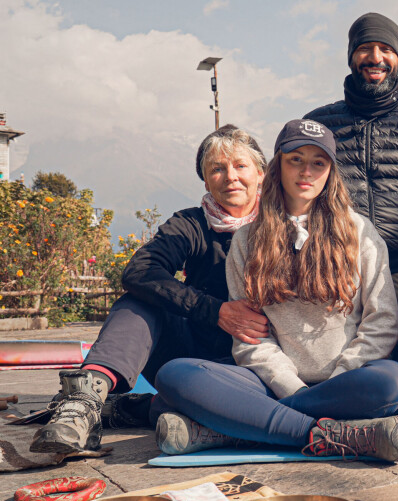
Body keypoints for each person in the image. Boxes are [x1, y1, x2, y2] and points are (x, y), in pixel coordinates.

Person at [152, 119, 398, 462]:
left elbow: (383, 322)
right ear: (277, 167)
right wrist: (291, 387)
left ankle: (247, 428)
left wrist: (338, 380)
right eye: (296, 159)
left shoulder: (359, 231)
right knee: (176, 376)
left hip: (351, 382)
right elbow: (250, 340)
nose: (307, 171)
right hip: (271, 385)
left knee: (392, 382)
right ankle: (326, 434)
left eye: (319, 163)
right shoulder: (247, 239)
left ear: (331, 172)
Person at [30, 125, 271, 454]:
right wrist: (215, 312)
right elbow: (140, 271)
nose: (230, 176)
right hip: (188, 357)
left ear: (261, 173)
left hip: (257, 364)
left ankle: (140, 409)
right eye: (217, 168)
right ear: (205, 180)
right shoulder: (190, 223)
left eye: (240, 166)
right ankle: (83, 403)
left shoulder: (284, 226)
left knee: (178, 410)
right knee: (140, 301)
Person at [304, 12, 398, 366]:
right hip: (336, 259)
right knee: (331, 351)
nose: (375, 57)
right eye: (365, 48)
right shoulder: (318, 125)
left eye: (386, 49)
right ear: (352, 56)